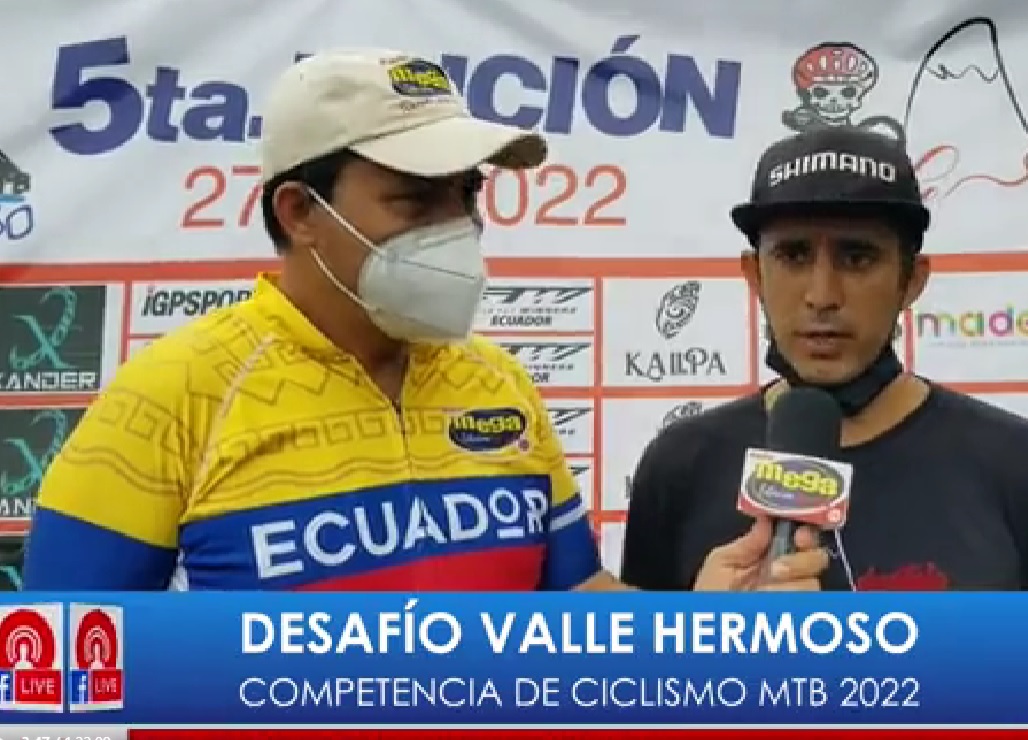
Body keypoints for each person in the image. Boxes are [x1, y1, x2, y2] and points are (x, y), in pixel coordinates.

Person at [23, 49, 827, 592]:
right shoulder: (168, 399)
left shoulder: (499, 385)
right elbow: (57, 677)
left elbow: (579, 608)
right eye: (415, 199)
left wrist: (702, 623)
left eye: (466, 195)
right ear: (300, 212)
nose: (458, 227)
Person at [620, 126, 1028, 591]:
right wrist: (710, 637)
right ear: (754, 275)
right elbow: (636, 657)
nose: (822, 295)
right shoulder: (679, 468)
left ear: (912, 280)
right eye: (793, 256)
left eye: (857, 258)